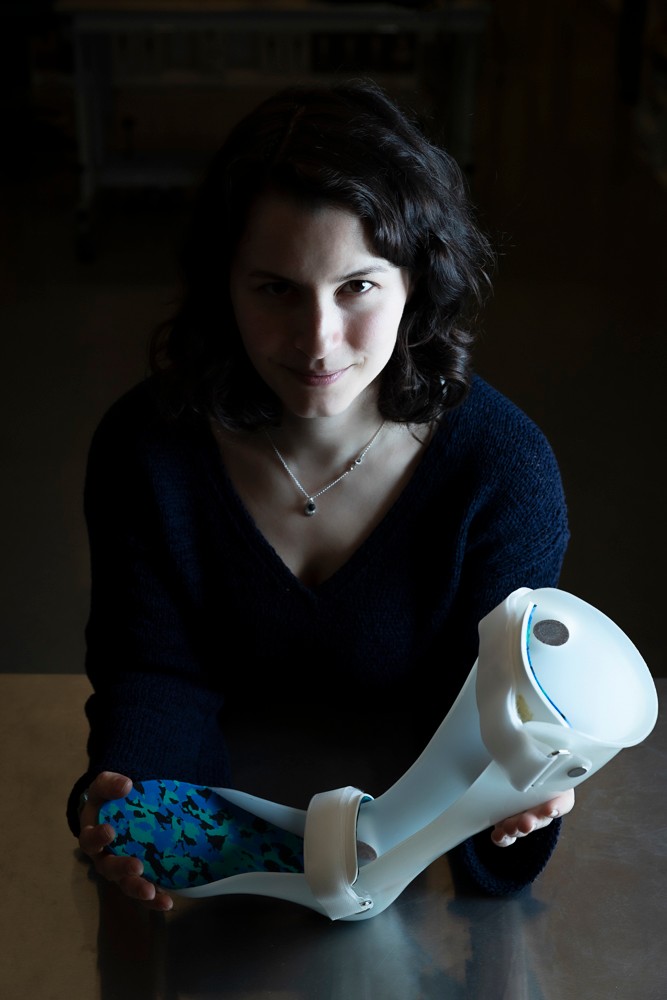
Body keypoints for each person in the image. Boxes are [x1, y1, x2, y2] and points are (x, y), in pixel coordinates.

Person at [68, 78, 573, 913]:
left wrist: (515, 805)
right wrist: (138, 805)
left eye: (357, 287)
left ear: (417, 281)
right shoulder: (146, 450)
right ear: (221, 287)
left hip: (407, 844)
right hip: (224, 825)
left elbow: (492, 708)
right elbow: (154, 668)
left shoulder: (501, 471)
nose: (316, 341)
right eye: (274, 289)